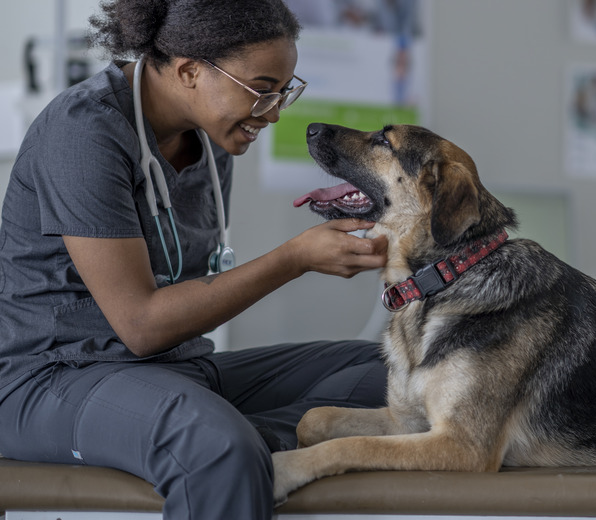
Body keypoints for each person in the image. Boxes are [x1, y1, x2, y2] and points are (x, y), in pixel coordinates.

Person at [0, 1, 389, 518]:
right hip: (52, 380)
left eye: (284, 91)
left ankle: (234, 437)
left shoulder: (210, 143)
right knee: (215, 446)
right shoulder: (83, 133)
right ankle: (218, 441)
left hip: (177, 372)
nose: (274, 111)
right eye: (263, 88)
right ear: (188, 71)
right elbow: (141, 325)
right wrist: (295, 258)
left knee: (392, 369)